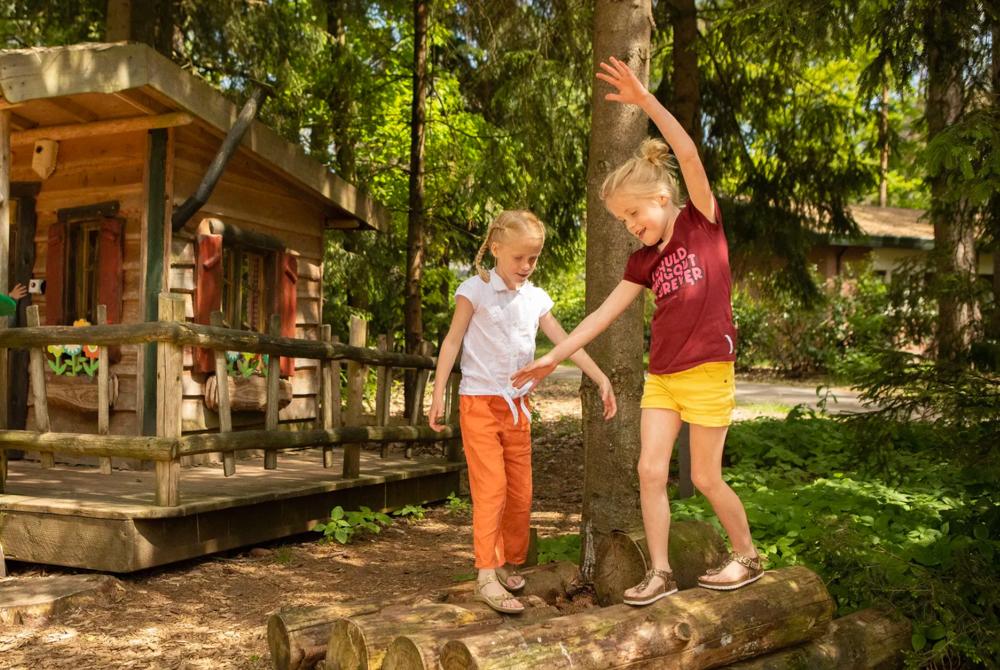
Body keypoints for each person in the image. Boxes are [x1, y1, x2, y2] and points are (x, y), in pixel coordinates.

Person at [512, 57, 762, 606]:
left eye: (633, 214)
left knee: (705, 477)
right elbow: (602, 315)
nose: (630, 226)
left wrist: (645, 100)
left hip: (709, 370)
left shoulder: (701, 221)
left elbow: (688, 154)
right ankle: (662, 572)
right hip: (664, 378)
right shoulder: (642, 261)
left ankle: (747, 557)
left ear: (662, 199)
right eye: (622, 221)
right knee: (649, 470)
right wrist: (554, 357)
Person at [428, 209, 617, 614]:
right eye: (519, 257)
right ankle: (485, 572)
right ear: (496, 249)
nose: (527, 265)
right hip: (479, 403)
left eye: (533, 258)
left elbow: (566, 342)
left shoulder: (535, 299)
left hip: (518, 409)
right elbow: (451, 341)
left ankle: (506, 562)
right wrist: (438, 391)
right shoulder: (474, 291)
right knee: (491, 488)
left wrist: (600, 377)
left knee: (520, 493)